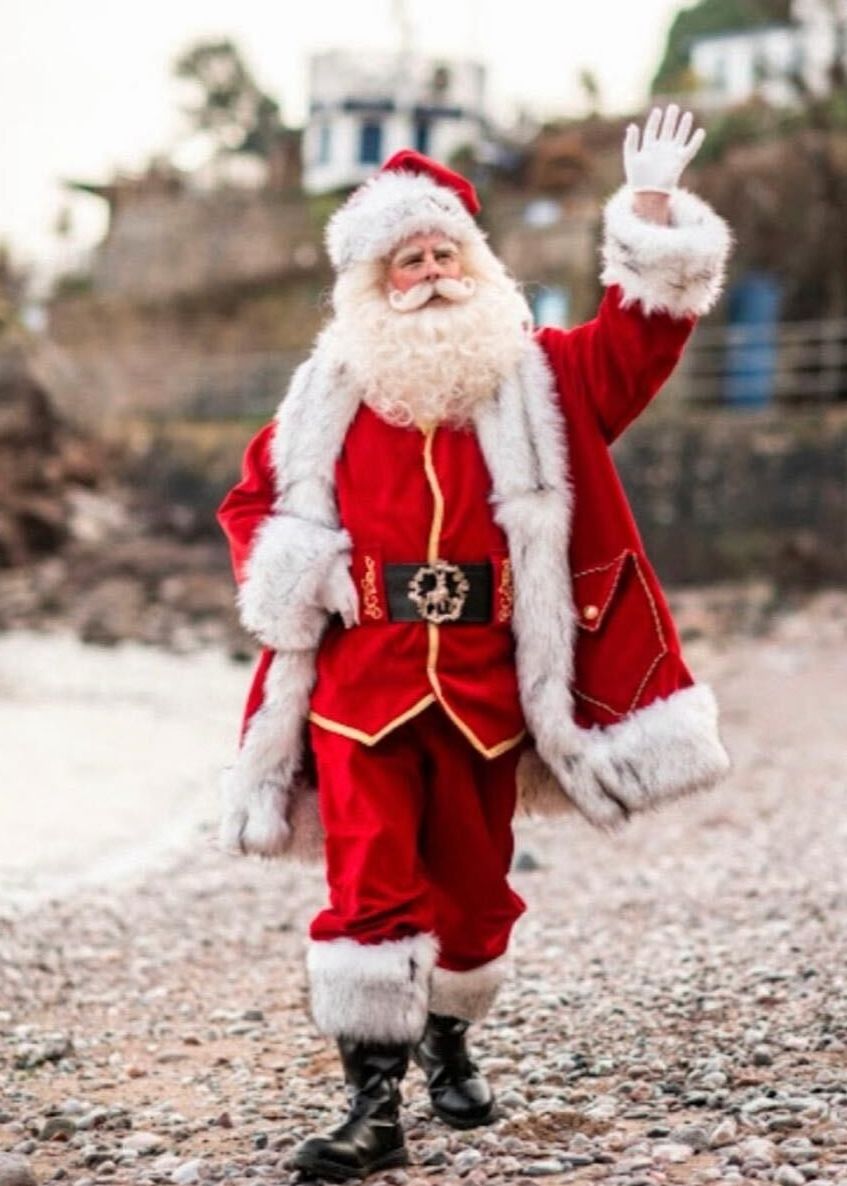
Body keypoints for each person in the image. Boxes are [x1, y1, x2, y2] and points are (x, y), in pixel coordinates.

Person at [216, 105, 733, 1182]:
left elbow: (639, 341)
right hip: (361, 689)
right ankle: (373, 1104)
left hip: (489, 685)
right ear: (370, 283)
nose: (432, 269)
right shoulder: (322, 395)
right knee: (368, 885)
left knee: (476, 893)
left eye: (447, 249)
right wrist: (309, 572)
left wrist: (645, 214)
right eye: (408, 256)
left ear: (477, 260)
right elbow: (252, 506)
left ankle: (450, 1036)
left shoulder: (541, 375)